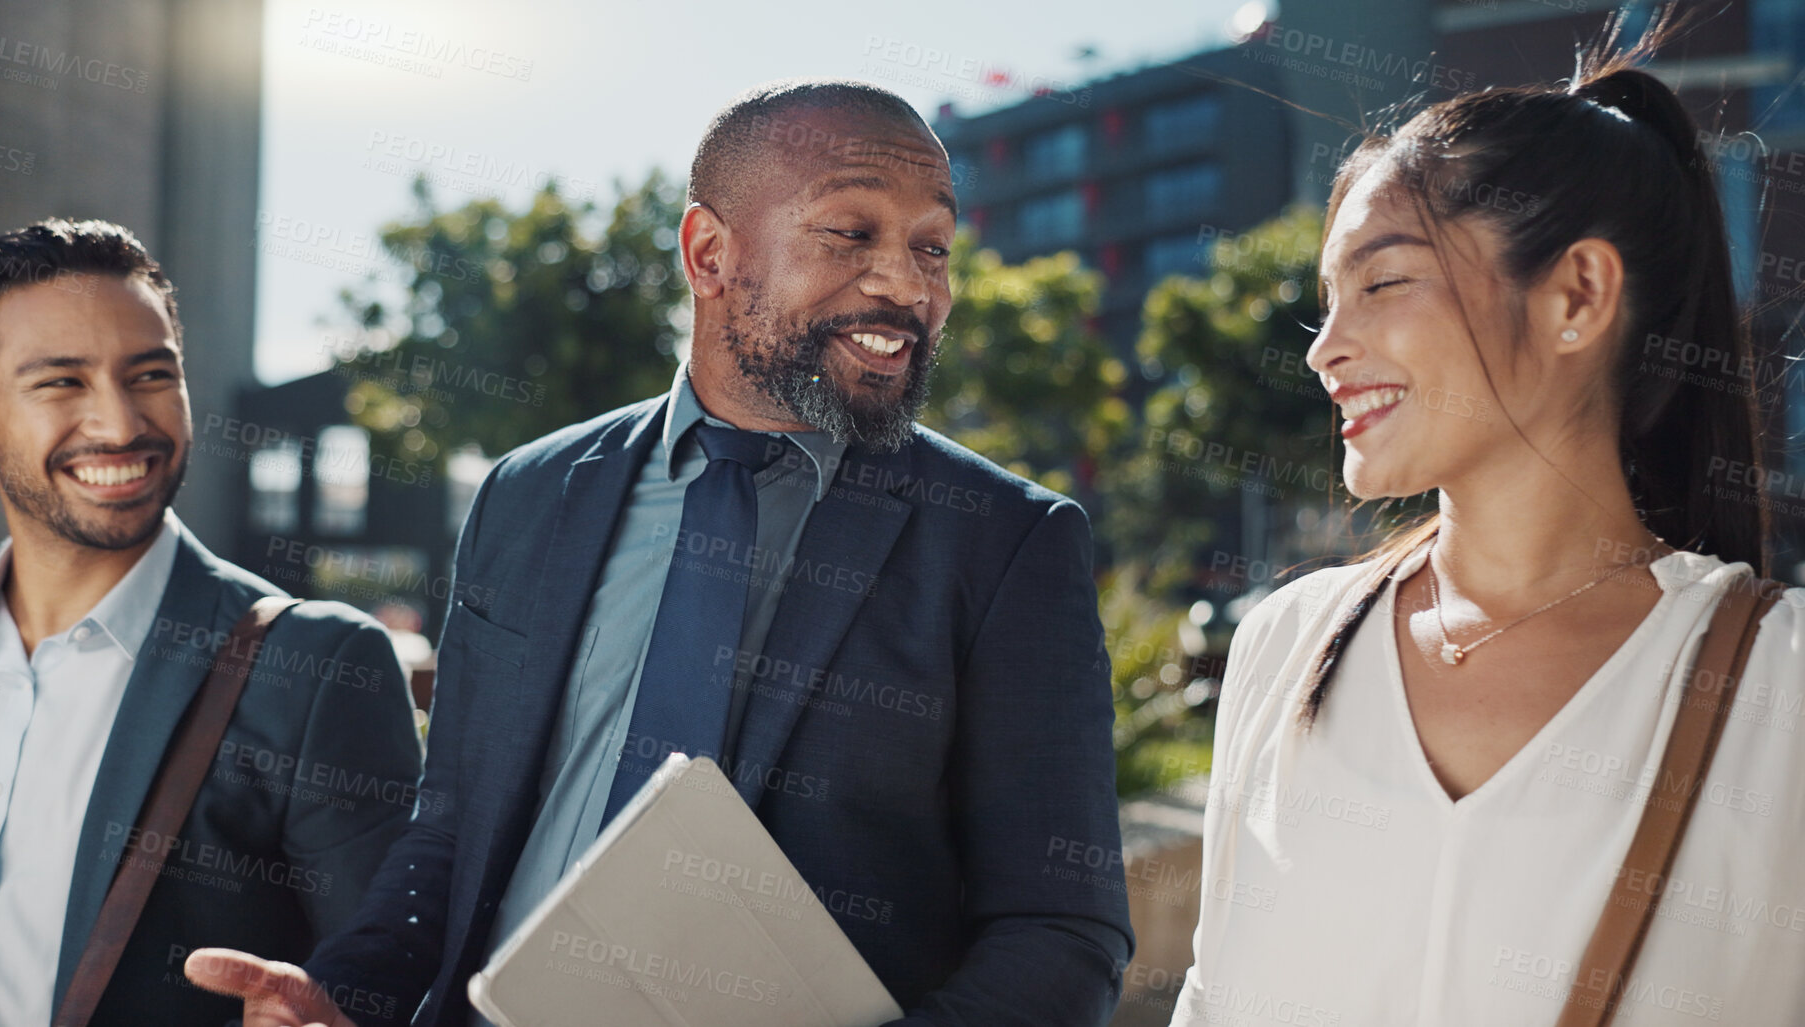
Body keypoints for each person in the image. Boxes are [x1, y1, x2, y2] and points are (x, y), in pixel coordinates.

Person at [187, 79, 1134, 1027]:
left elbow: (1060, 933)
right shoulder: (528, 493)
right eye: (851, 234)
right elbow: (452, 836)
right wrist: (345, 990)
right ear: (709, 253)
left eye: (932, 246)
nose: (909, 283)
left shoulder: (1007, 541)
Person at [1170, 33, 1805, 1027]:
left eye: (1383, 281)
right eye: (1327, 303)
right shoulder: (1290, 643)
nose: (1324, 350)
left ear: (1578, 293)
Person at [0, 219, 424, 1026]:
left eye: (149, 374)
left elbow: (394, 984)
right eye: (61, 383)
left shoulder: (314, 667)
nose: (118, 424)